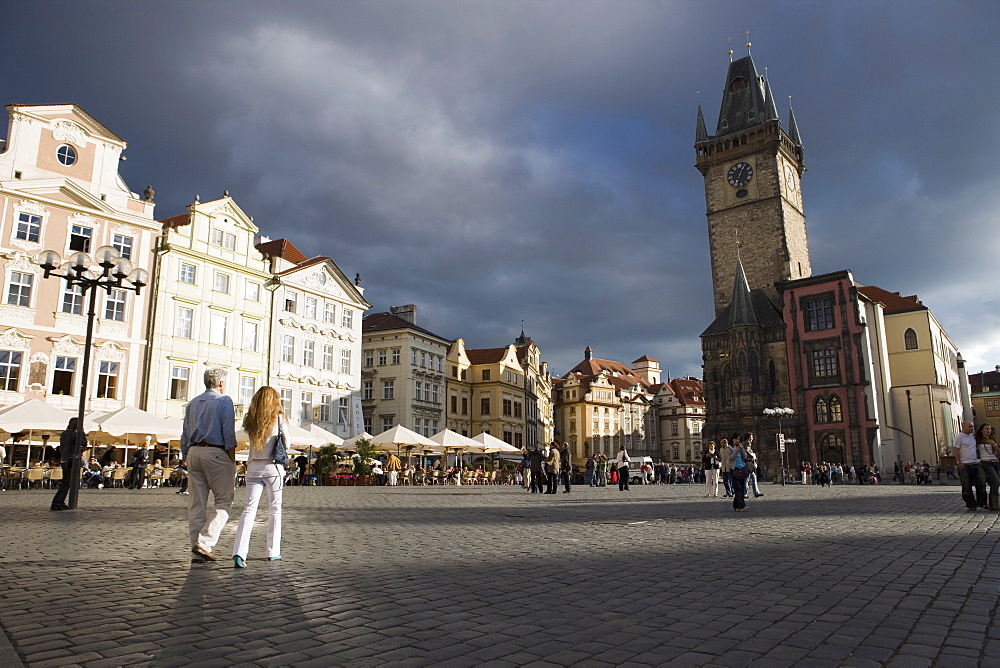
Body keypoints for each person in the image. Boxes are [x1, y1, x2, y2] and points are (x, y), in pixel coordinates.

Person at [181, 367, 238, 562]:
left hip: (193, 452)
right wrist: (231, 459)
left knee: (196, 503)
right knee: (224, 501)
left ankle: (195, 548)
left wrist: (185, 455)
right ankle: (204, 543)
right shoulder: (224, 400)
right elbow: (228, 432)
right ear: (221, 383)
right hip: (216, 451)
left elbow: (185, 433)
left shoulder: (192, 403)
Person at [232, 386, 288, 568]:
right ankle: (273, 551)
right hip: (273, 467)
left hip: (254, 466)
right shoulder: (279, 417)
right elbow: (287, 442)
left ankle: (239, 553)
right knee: (274, 509)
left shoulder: (251, 419)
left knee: (249, 509)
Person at [50, 418, 85, 510]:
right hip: (71, 459)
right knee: (67, 483)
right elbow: (82, 443)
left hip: (64, 459)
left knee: (66, 482)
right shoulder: (74, 434)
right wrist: (82, 433)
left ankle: (59, 502)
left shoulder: (64, 433)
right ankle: (57, 502)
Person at [953, 420, 986, 511]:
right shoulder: (959, 437)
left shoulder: (973, 436)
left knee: (981, 483)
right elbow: (956, 450)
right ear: (964, 427)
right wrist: (959, 462)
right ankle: (971, 504)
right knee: (966, 486)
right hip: (965, 464)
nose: (972, 428)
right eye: (970, 427)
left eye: (972, 426)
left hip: (975, 463)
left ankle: (982, 502)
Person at [976, 423, 999, 511]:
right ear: (982, 430)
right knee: (997, 481)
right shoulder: (978, 440)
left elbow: (998, 452)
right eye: (986, 428)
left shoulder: (993, 439)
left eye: (989, 428)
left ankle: (993, 504)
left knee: (994, 483)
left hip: (995, 462)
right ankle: (995, 503)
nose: (988, 430)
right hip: (986, 462)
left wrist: (994, 444)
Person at [728, 434, 749, 511]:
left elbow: (745, 456)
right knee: (738, 488)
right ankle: (742, 506)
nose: (737, 441)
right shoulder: (729, 448)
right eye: (736, 439)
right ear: (732, 439)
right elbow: (730, 458)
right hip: (734, 469)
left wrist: (742, 448)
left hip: (742, 469)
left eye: (739, 439)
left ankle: (736, 506)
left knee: (742, 488)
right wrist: (736, 450)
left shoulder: (740, 448)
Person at [743, 433, 763, 498]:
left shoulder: (744, 443)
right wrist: (753, 455)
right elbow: (746, 451)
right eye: (751, 437)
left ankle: (756, 492)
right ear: (749, 438)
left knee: (753, 477)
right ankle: (745, 493)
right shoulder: (747, 443)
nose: (752, 438)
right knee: (747, 479)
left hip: (747, 463)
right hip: (748, 463)